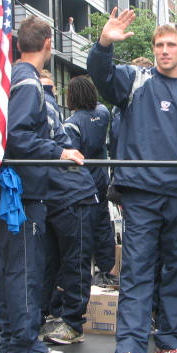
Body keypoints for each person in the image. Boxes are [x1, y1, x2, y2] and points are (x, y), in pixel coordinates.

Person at [87, 9, 177, 353]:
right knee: (138, 273)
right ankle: (129, 348)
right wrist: (104, 44)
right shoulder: (134, 79)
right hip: (141, 195)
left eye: (171, 44)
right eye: (159, 45)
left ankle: (169, 343)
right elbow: (102, 76)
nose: (164, 50)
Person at [0, 15, 82, 353]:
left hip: (23, 190)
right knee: (26, 272)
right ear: (48, 44)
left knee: (18, 271)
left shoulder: (20, 79)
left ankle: (11, 343)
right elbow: (16, 136)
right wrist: (58, 151)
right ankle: (23, 345)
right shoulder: (27, 83)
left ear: (19, 44)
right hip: (24, 191)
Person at [37, 70, 99, 345]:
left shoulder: (57, 114)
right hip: (54, 197)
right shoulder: (55, 113)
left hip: (73, 196)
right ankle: (54, 317)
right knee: (51, 264)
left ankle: (72, 323)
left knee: (74, 263)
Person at [63, 75, 116, 287]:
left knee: (82, 232)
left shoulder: (71, 124)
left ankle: (84, 277)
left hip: (82, 184)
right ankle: (108, 270)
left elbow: (71, 159)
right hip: (102, 178)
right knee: (103, 227)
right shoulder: (103, 113)